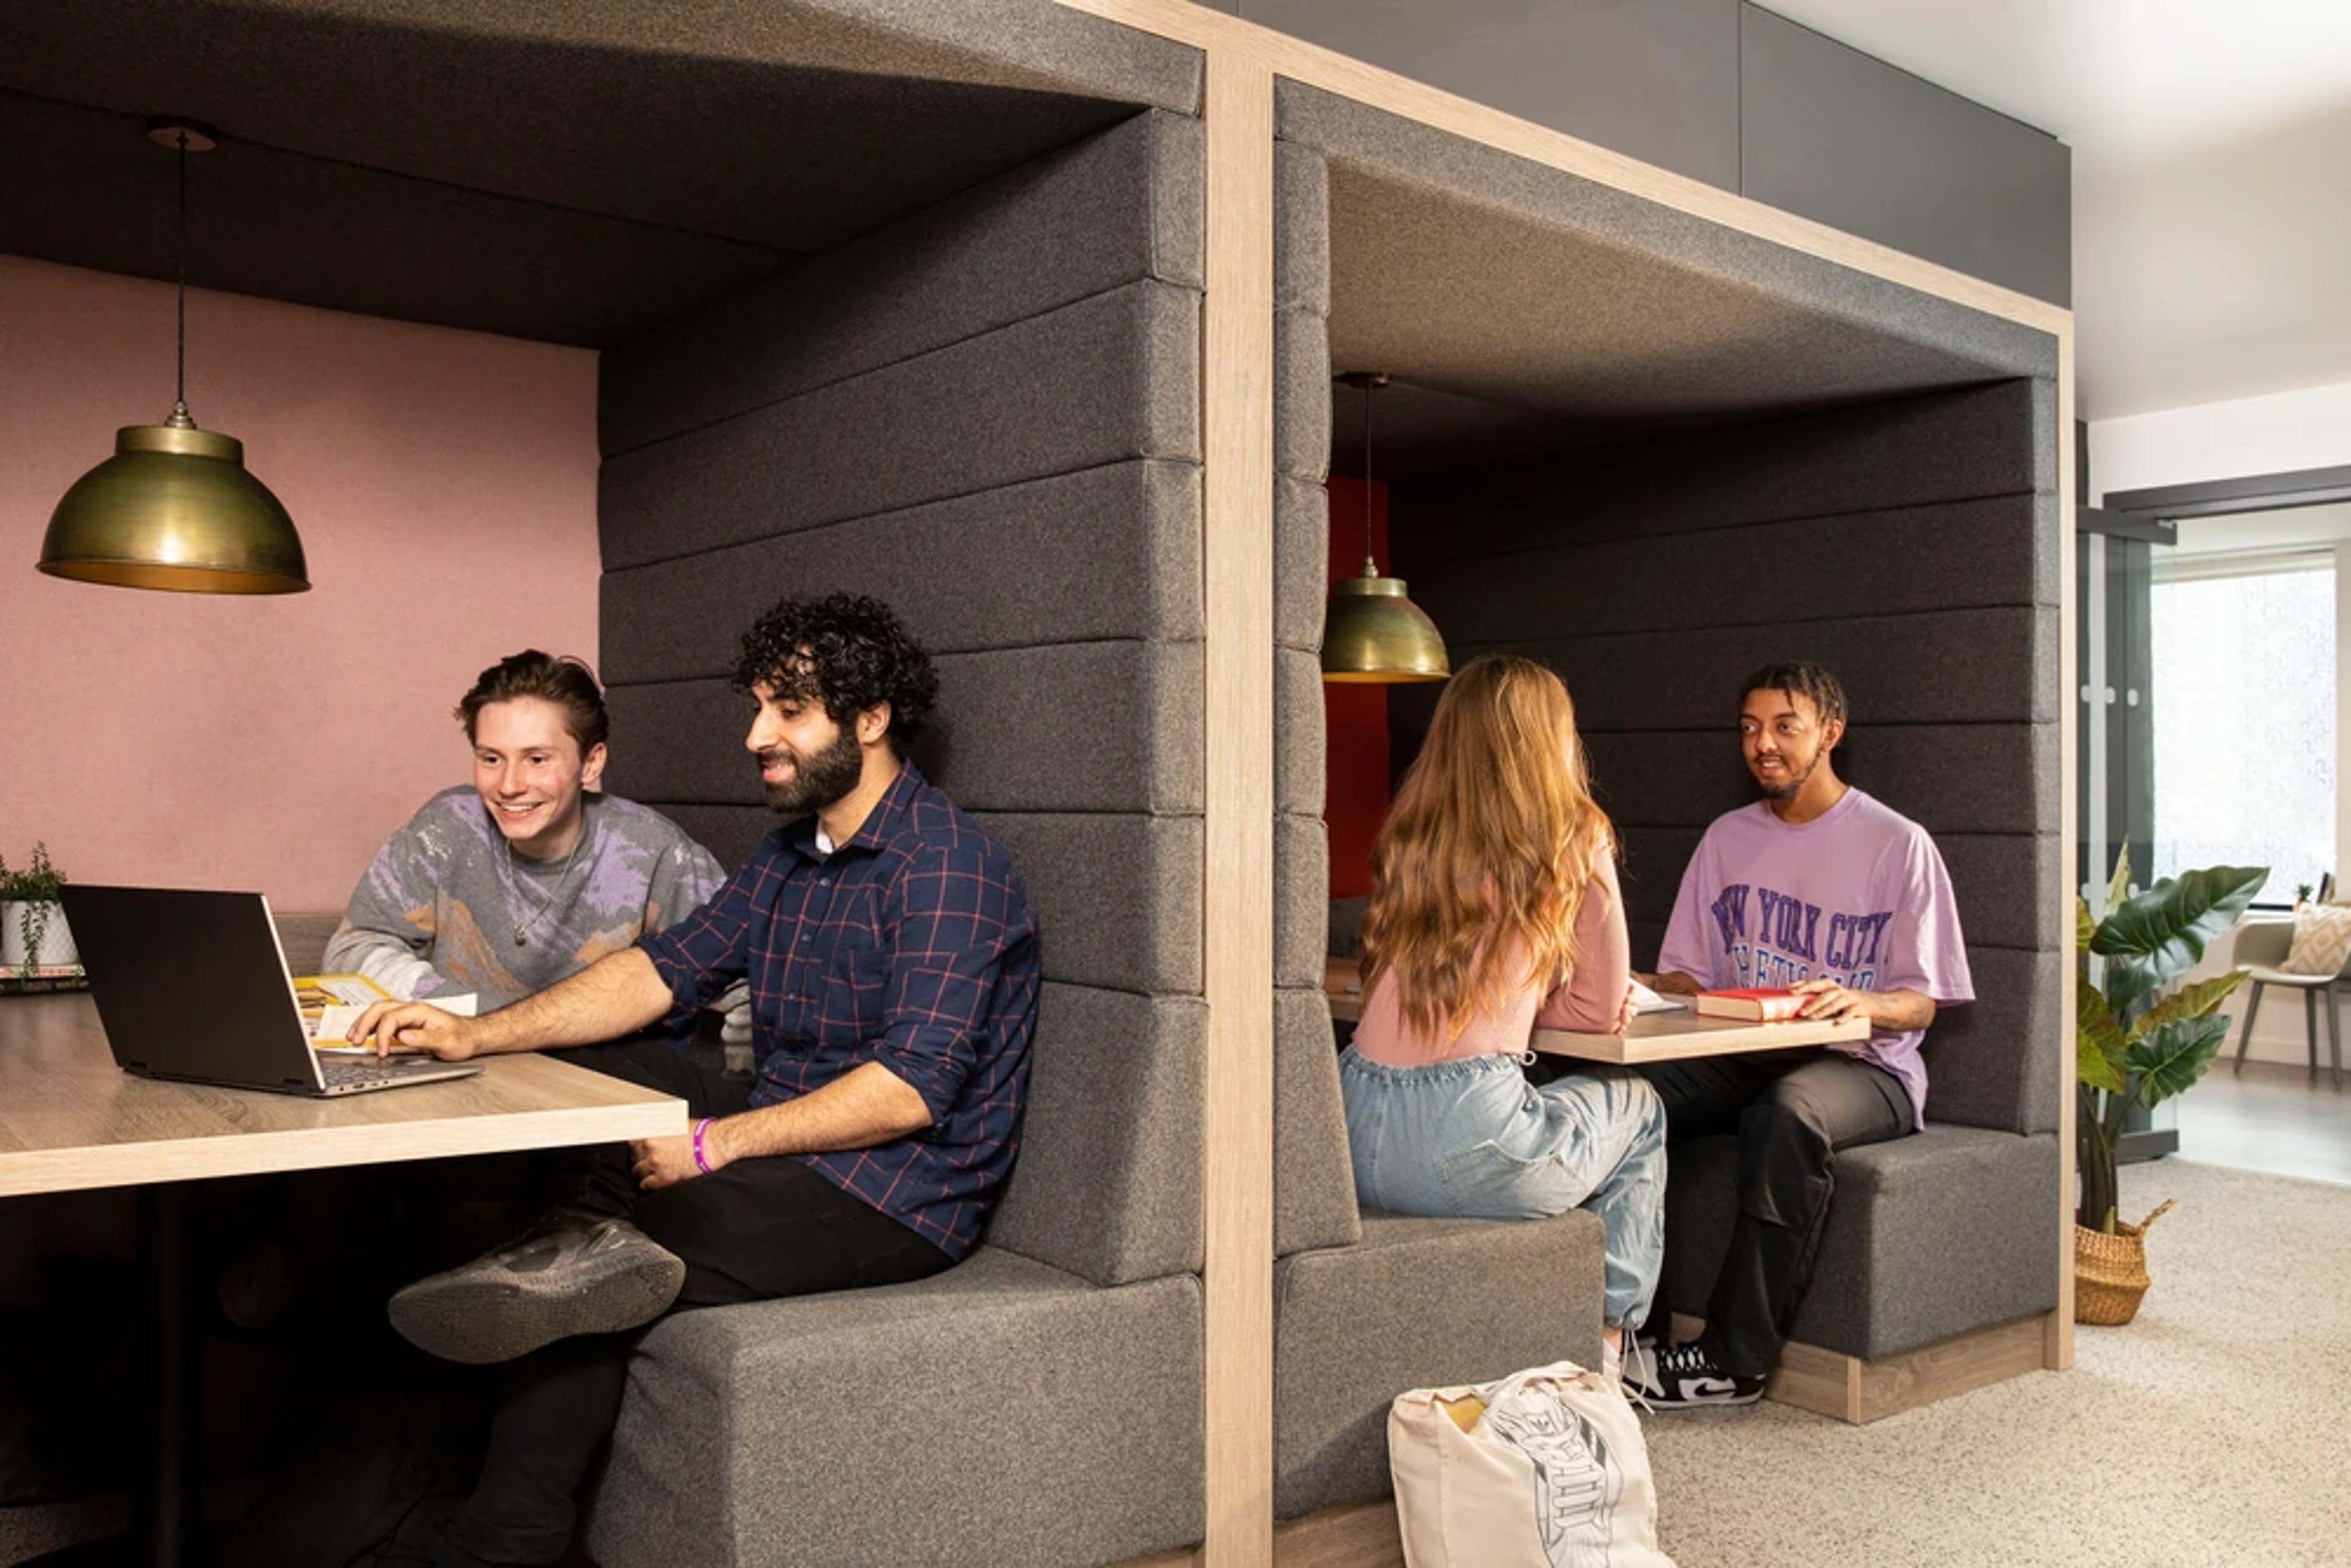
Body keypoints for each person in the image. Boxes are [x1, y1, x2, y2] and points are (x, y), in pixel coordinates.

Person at [345, 595, 1041, 1567]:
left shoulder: (946, 868)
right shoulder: (792, 856)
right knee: (581, 1094)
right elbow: (660, 971)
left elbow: (909, 1091)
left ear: (872, 719)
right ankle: (534, 1246)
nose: (757, 736)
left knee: (614, 1263)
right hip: (790, 1125)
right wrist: (481, 1035)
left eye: (789, 711)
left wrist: (712, 1146)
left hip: (897, 1191)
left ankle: (498, 1540)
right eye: (758, 707)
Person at [1629, 662, 1973, 1408]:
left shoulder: (1897, 842)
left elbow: (1921, 1004)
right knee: (1626, 1101)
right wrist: (1627, 979)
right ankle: (1628, 1331)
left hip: (1865, 1065)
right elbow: (1690, 979)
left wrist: (1860, 998)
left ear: (1830, 732)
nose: (1764, 743)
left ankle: (1732, 1361)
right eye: (1750, 727)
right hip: (1742, 1051)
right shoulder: (1726, 838)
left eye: (1785, 726)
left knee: (1786, 1114)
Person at [1339, 655, 1668, 1373]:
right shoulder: (1575, 830)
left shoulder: (1417, 831)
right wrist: (1546, 997)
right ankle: (1607, 1350)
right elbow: (1598, 1008)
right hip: (1466, 1139)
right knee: (1640, 1107)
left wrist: (1515, 999)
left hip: (1353, 1126)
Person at [323, 650, 727, 1017]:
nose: (509, 785)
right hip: (463, 1062)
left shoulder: (657, 852)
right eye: (491, 758)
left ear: (591, 763)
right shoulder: (445, 828)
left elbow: (735, 983)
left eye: (536, 759)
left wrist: (517, 1026)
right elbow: (351, 951)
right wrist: (473, 1017)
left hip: (601, 1069)